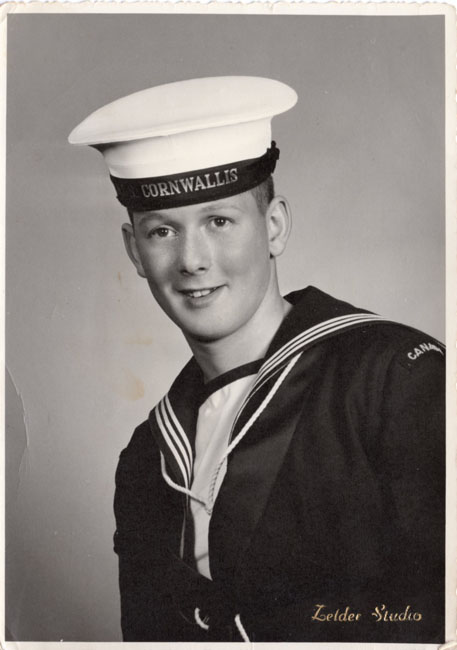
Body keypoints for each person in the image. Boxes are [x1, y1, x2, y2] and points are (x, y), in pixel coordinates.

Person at [69, 76, 445, 643]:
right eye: (163, 230)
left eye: (219, 221)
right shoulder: (147, 460)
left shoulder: (396, 379)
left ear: (274, 227)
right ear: (135, 252)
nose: (192, 260)